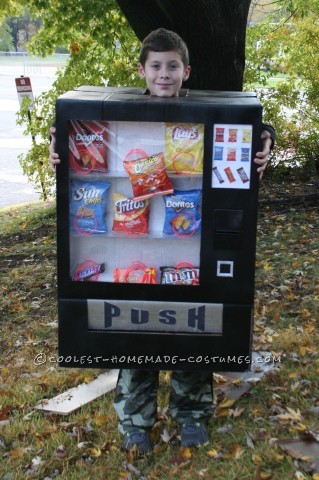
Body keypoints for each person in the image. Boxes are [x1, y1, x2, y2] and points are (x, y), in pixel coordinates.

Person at [49, 28, 275, 453]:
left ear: (186, 71)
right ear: (142, 71)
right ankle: (136, 423)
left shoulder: (202, 113)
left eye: (173, 66)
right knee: (135, 351)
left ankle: (192, 416)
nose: (165, 74)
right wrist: (55, 145)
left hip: (191, 255)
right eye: (156, 66)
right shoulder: (120, 116)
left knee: (193, 345)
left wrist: (266, 139)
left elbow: (248, 127)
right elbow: (73, 129)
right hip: (129, 255)